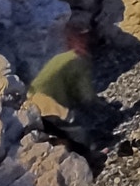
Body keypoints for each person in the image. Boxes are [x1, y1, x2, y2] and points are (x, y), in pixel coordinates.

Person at [29, 26, 102, 167]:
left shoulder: (61, 58)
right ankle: (90, 158)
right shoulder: (77, 60)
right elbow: (85, 95)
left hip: (31, 102)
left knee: (59, 129)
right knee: (78, 130)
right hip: (47, 104)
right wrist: (101, 106)